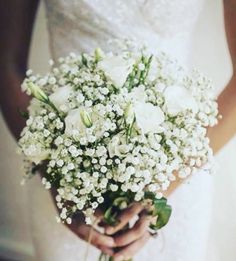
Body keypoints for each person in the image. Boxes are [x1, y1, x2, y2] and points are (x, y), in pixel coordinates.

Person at [0, 1, 235, 260]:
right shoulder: (62, 178)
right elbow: (6, 64)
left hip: (180, 172)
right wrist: (60, 180)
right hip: (65, 168)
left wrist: (161, 188)